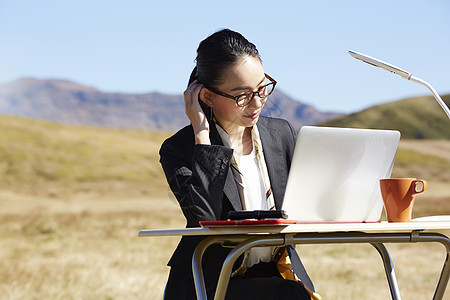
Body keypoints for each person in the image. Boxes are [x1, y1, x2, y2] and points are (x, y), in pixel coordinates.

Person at [159, 29, 320, 300]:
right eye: (242, 95)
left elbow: (307, 205)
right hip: (210, 285)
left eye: (261, 88)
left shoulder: (281, 134)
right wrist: (202, 136)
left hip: (277, 278)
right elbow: (204, 217)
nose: (257, 102)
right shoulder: (179, 149)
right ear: (207, 97)